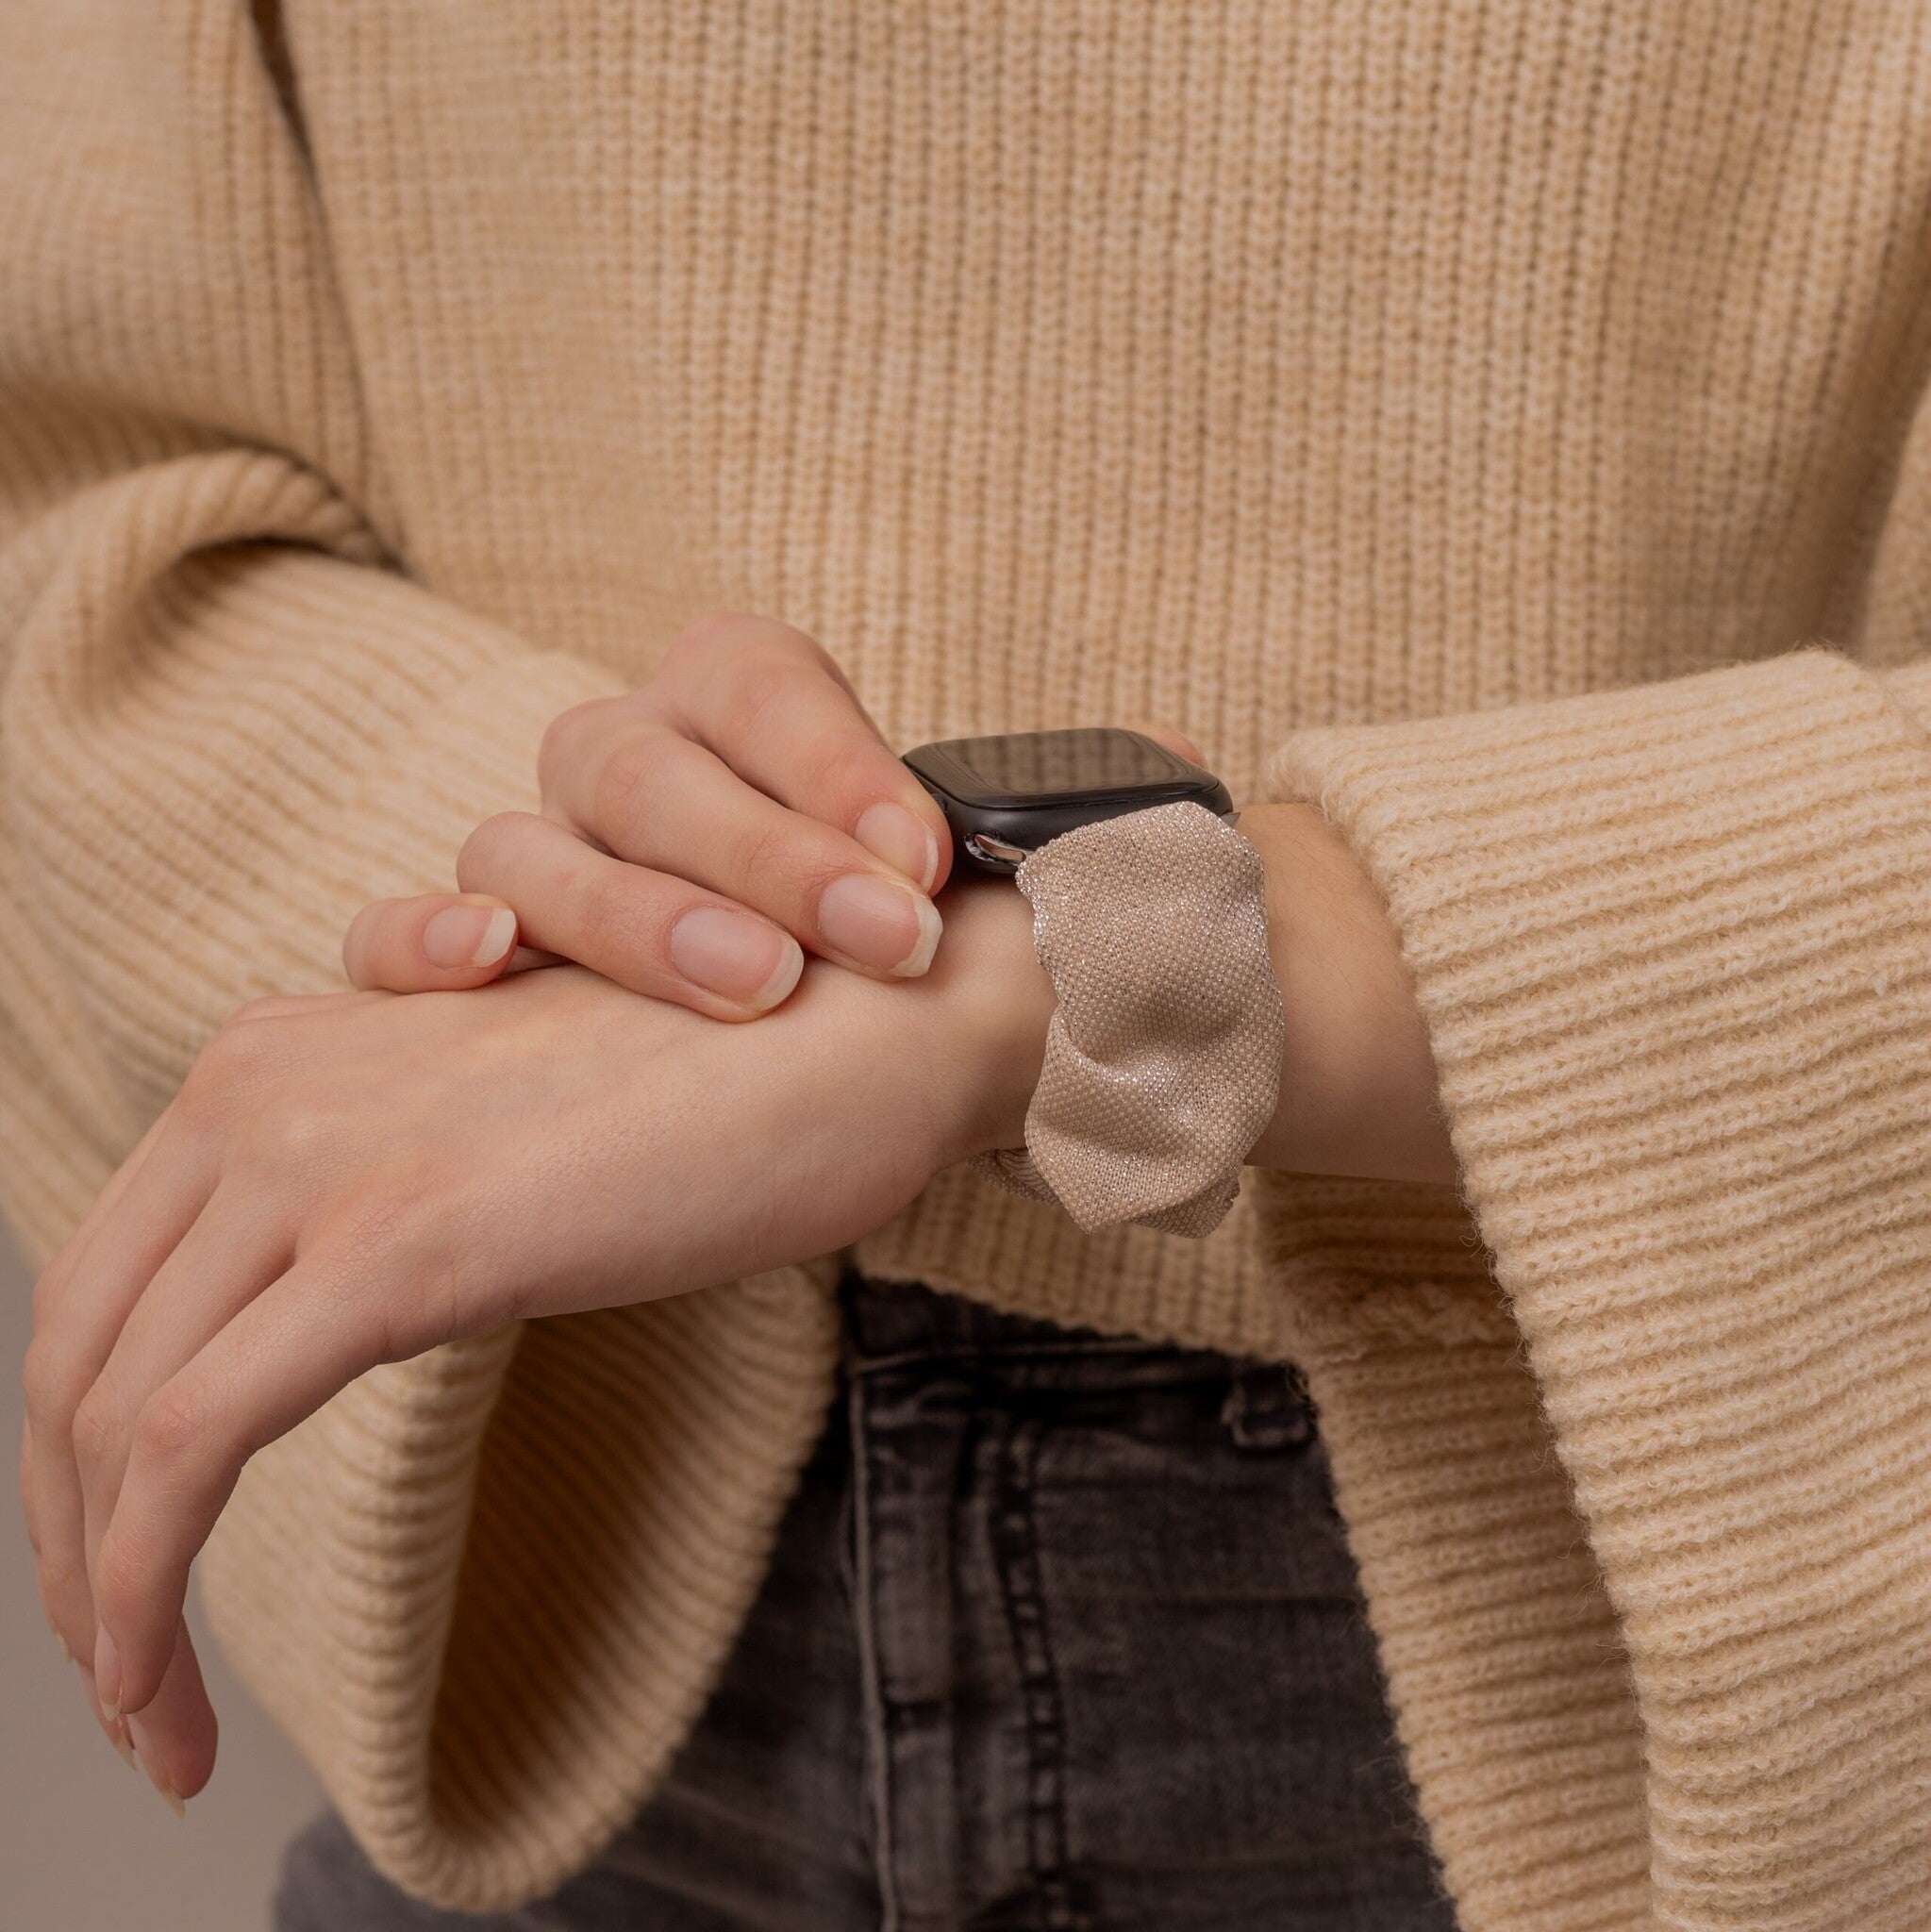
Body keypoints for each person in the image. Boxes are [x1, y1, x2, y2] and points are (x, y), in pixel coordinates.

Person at [7, 4, 1931, 1929]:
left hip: (1664, 1606)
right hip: (569, 1520)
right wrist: (591, 893)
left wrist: (1087, 972)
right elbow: (77, 479)